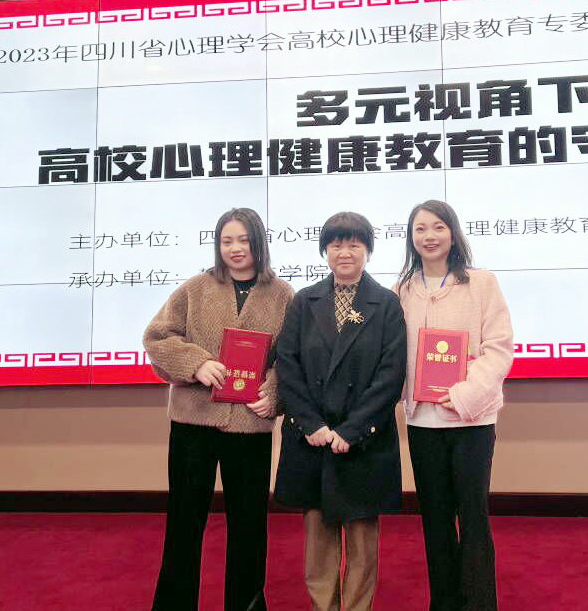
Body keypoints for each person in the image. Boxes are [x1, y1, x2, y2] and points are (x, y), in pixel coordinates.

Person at [143, 207, 295, 611]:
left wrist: (274, 392)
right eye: (227, 241)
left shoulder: (283, 295)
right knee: (184, 522)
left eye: (243, 239)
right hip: (193, 423)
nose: (235, 248)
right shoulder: (196, 288)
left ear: (258, 242)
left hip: (250, 424)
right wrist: (196, 363)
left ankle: (247, 605)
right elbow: (157, 337)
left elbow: (292, 357)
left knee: (249, 525)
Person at [274, 211, 406, 611]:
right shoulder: (304, 301)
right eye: (335, 244)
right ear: (324, 251)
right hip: (313, 438)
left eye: (354, 244)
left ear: (368, 250)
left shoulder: (386, 303)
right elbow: (288, 364)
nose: (344, 252)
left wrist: (352, 430)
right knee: (318, 539)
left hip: (363, 440)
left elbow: (391, 374)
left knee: (363, 541)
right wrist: (310, 424)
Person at [395, 199, 514, 611]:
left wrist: (464, 393)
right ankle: (443, 603)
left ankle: (480, 604)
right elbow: (393, 354)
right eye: (420, 229)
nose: (429, 236)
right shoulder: (401, 290)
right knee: (435, 519)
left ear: (453, 233)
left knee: (474, 518)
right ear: (411, 238)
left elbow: (499, 348)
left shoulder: (482, 283)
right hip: (423, 422)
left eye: (438, 227)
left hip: (472, 421)